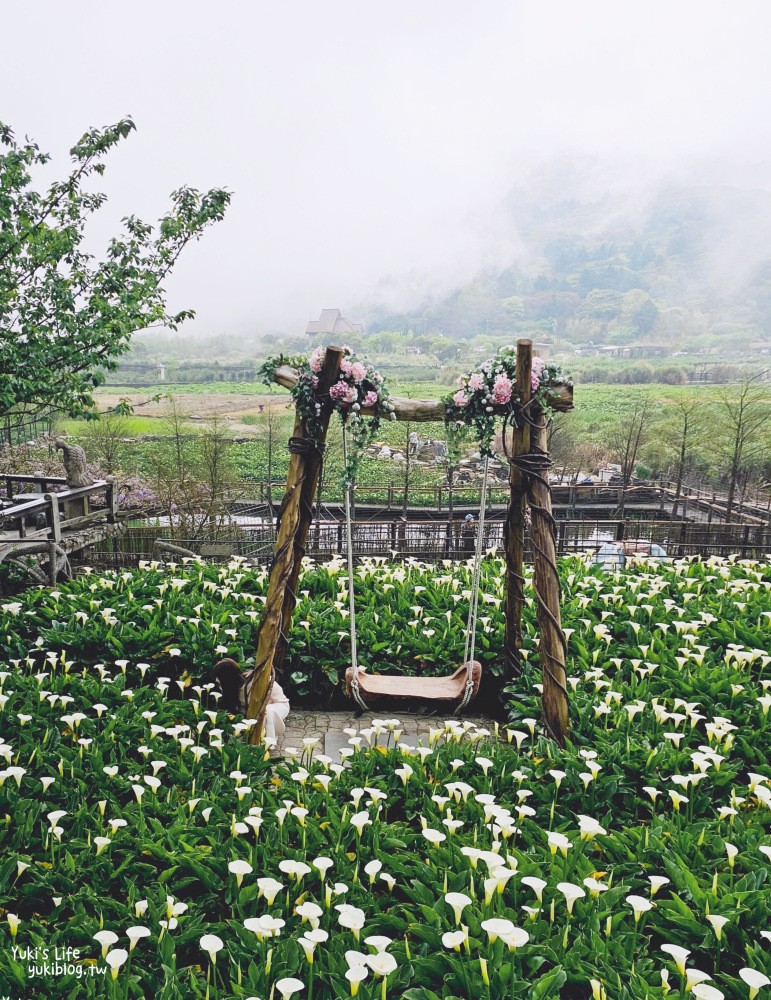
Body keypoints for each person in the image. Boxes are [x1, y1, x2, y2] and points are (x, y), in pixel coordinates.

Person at [214, 658, 290, 748]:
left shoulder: (256, 680)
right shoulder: (232, 689)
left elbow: (275, 697)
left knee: (266, 712)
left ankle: (268, 744)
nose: (218, 681)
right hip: (255, 710)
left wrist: (263, 705)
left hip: (277, 704)